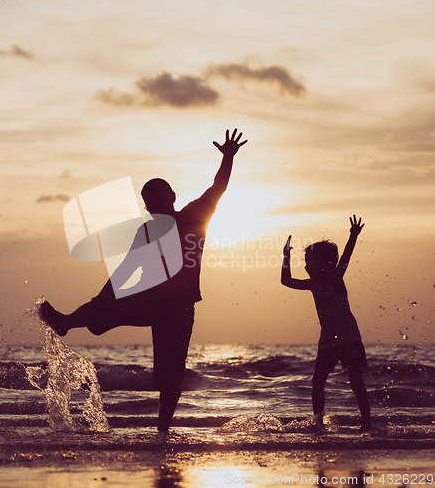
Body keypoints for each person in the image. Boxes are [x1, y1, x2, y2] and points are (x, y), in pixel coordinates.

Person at [39, 128, 247, 432]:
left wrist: (227, 157)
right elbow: (125, 271)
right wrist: (101, 301)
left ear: (173, 199)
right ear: (146, 207)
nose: (155, 207)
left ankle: (163, 430)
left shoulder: (194, 216)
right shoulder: (146, 232)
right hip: (149, 302)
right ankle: (69, 322)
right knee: (101, 307)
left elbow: (218, 188)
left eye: (160, 201)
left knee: (170, 376)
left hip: (178, 310)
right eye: (151, 203)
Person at [280, 215, 372, 431]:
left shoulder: (335, 278)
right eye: (305, 262)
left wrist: (353, 236)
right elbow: (285, 281)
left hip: (349, 338)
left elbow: (346, 258)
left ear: (325, 263)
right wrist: (285, 257)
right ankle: (319, 424)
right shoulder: (313, 285)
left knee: (356, 382)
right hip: (328, 341)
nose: (306, 266)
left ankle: (366, 423)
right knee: (317, 382)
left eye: (309, 262)